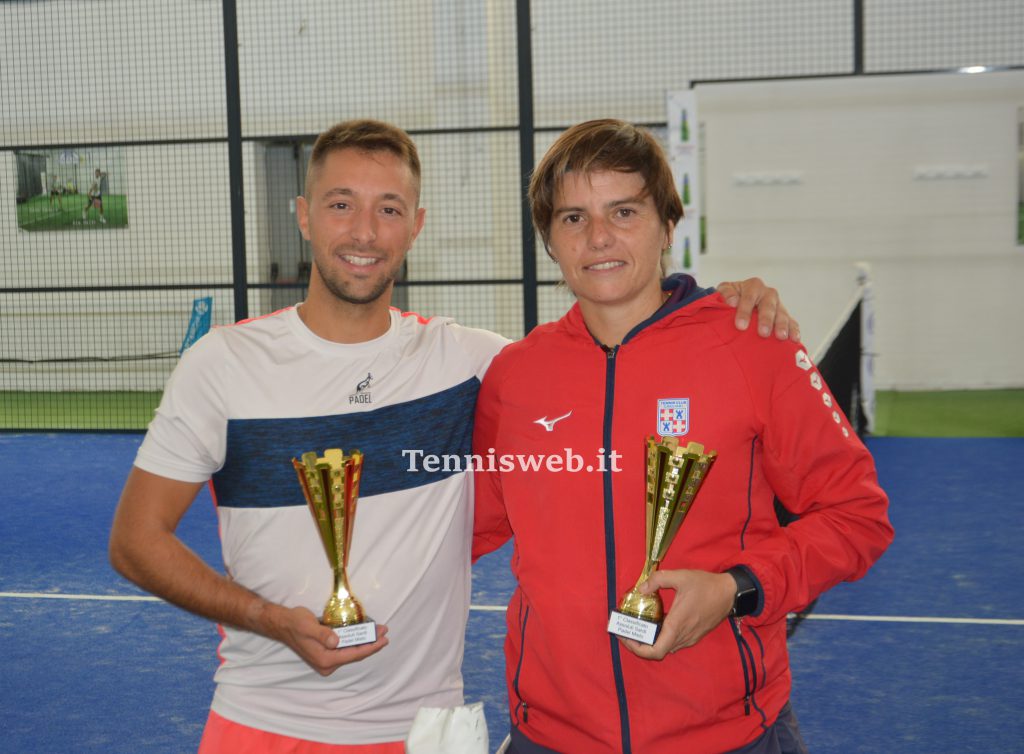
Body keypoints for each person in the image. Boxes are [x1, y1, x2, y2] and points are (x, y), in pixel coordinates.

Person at [109, 118, 800, 753]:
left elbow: (609, 349)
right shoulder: (221, 365)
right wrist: (269, 618)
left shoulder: (477, 364)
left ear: (416, 225)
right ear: (303, 216)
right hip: (262, 720)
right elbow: (136, 541)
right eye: (340, 203)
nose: (363, 231)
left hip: (423, 728)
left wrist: (718, 310)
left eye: (389, 209)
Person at [472, 119, 894, 754]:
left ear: (668, 226)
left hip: (728, 734)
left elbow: (858, 515)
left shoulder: (752, 345)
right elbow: (463, 522)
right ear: (550, 242)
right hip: (551, 735)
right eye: (573, 218)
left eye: (624, 210)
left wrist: (737, 588)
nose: (600, 238)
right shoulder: (515, 375)